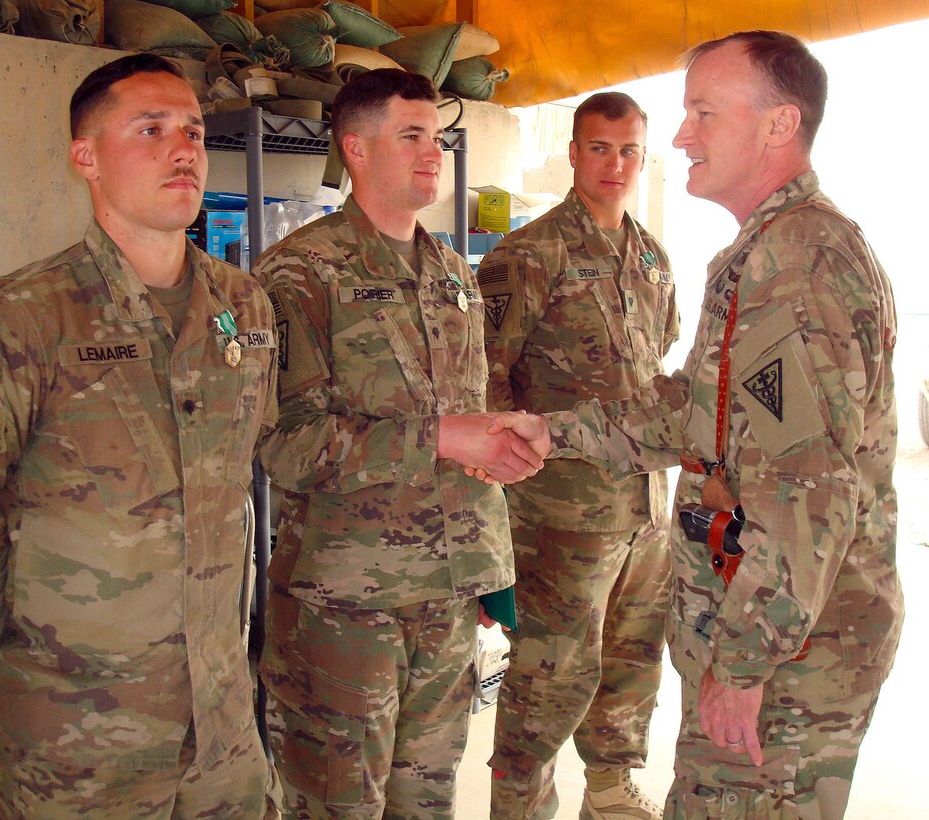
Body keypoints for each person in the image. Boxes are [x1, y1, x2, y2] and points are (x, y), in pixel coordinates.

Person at [485, 30, 903, 819]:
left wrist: (742, 665)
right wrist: (556, 431)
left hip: (788, 648)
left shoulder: (798, 265)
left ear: (778, 125)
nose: (679, 136)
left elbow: (805, 490)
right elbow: (693, 406)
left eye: (702, 112)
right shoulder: (764, 252)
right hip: (762, 622)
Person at [0, 54, 280, 818]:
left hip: (222, 729)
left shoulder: (245, 307)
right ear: (87, 157)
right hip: (77, 739)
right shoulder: (14, 317)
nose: (183, 150)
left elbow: (250, 462)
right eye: (151, 129)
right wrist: (33, 652)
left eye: (194, 131)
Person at [252, 68, 546, 818]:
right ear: (355, 148)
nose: (432, 154)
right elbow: (284, 442)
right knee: (337, 802)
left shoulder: (451, 272)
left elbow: (467, 418)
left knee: (427, 796)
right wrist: (442, 437)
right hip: (345, 605)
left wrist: (490, 562)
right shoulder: (298, 274)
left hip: (445, 595)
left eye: (439, 138)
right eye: (410, 136)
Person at [478, 92, 677, 820]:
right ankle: (520, 807)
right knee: (547, 677)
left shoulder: (650, 257)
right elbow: (486, 384)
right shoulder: (526, 257)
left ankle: (609, 788)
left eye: (628, 151)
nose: (614, 165)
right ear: (571, 151)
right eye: (599, 148)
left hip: (644, 508)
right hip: (560, 516)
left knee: (632, 661)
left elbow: (658, 371)